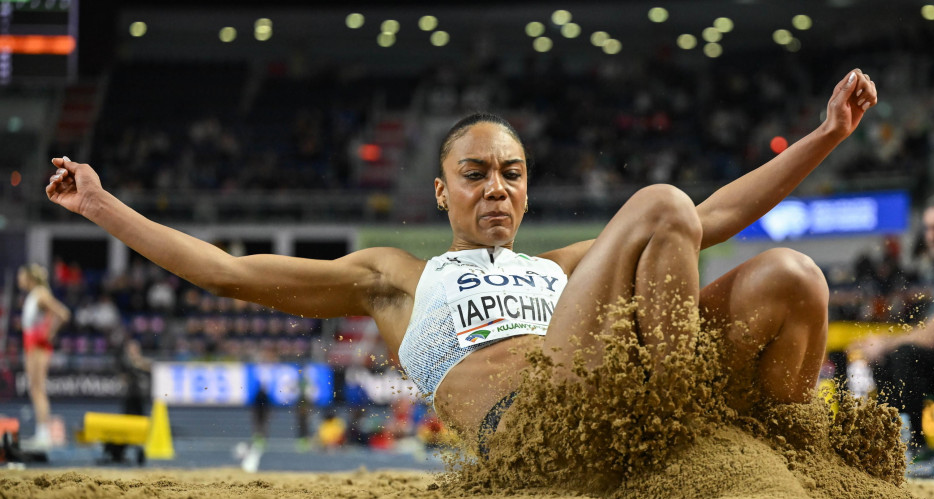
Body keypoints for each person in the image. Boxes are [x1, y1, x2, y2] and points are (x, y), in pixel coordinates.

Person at [45, 69, 877, 457]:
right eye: (474, 175)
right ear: (440, 193)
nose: (495, 190)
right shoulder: (396, 277)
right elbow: (227, 270)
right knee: (660, 202)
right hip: (536, 426)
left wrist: (828, 135)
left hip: (611, 395)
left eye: (510, 174)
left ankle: (767, 457)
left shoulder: (560, 268)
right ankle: (675, 433)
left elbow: (719, 215)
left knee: (793, 277)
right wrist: (102, 205)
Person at [848, 192, 934, 473]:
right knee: (890, 358)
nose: (932, 236)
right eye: (928, 228)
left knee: (905, 355)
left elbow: (932, 336)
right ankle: (894, 439)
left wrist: (884, 342)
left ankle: (917, 446)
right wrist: (884, 346)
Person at [17, 263, 71, 450]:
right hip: (31, 345)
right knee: (35, 389)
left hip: (38, 346)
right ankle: (41, 433)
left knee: (38, 390)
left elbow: (63, 313)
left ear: (30, 278)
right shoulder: (33, 296)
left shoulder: (40, 294)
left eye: (21, 275)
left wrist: (49, 334)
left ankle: (43, 434)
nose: (19, 279)